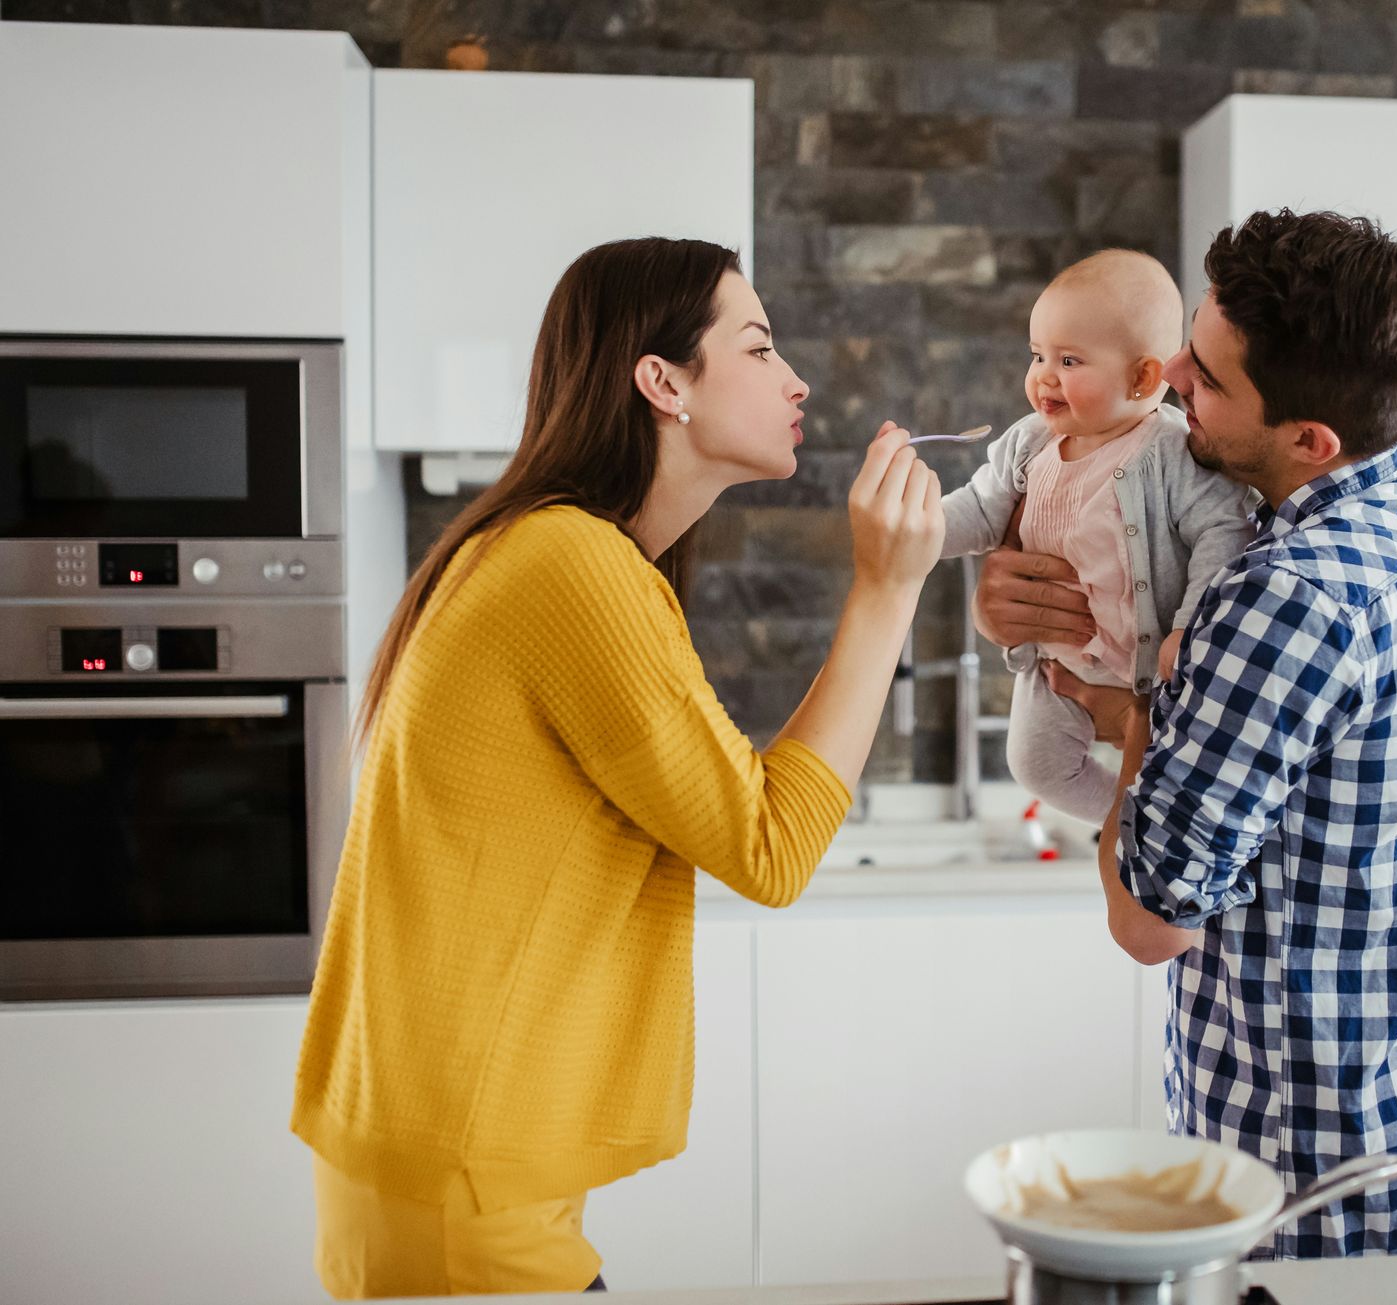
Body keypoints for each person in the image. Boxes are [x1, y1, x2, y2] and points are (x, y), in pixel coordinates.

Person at [290, 237, 944, 1298]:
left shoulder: (557, 553)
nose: (797, 378)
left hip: (442, 1158)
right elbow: (770, 849)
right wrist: (886, 589)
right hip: (463, 1184)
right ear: (663, 383)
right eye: (759, 345)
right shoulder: (571, 568)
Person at [977, 210, 1397, 1256]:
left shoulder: (1285, 596)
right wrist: (1041, 617)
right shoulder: (1396, 507)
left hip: (1324, 1189)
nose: (1174, 372)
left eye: (1213, 376)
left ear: (1308, 439)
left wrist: (1130, 708)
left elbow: (1152, 923)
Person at [938, 249, 1253, 824]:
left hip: (1148, 672)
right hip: (1055, 665)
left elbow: (1224, 530)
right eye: (1037, 355)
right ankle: (1131, 819)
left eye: (1070, 360)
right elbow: (981, 510)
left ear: (1142, 377)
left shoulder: (1170, 450)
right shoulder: (1029, 442)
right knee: (1036, 766)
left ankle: (1155, 820)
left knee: (1172, 769)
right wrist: (916, 530)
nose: (1043, 377)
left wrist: (1188, 628)